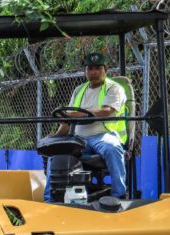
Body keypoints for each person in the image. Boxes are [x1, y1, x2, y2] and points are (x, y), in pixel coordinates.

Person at [46, 53, 128, 201]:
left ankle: (119, 195)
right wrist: (55, 137)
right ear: (85, 71)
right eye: (90, 68)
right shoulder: (79, 90)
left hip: (104, 135)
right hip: (79, 138)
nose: (94, 72)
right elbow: (68, 118)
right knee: (56, 152)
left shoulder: (114, 88)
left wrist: (75, 115)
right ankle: (49, 199)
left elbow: (106, 111)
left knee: (112, 148)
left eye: (98, 68)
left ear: (105, 70)